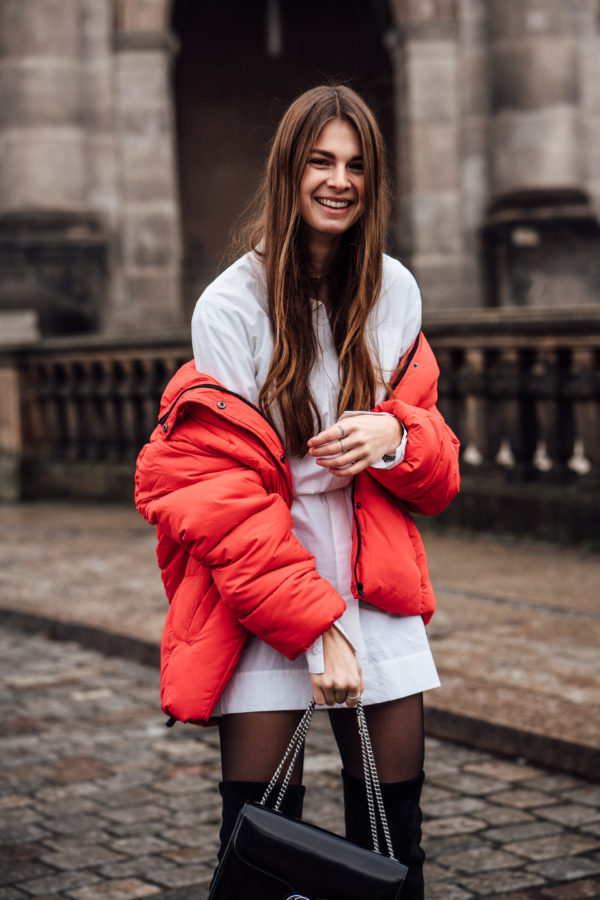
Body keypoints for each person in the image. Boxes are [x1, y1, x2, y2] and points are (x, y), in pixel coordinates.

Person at [135, 84, 460, 899]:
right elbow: (226, 506)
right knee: (257, 854)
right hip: (261, 584)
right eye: (320, 160)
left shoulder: (395, 290)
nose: (338, 180)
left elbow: (439, 469)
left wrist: (397, 436)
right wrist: (320, 636)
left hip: (373, 574)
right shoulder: (230, 307)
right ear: (289, 170)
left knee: (394, 851)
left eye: (355, 164)